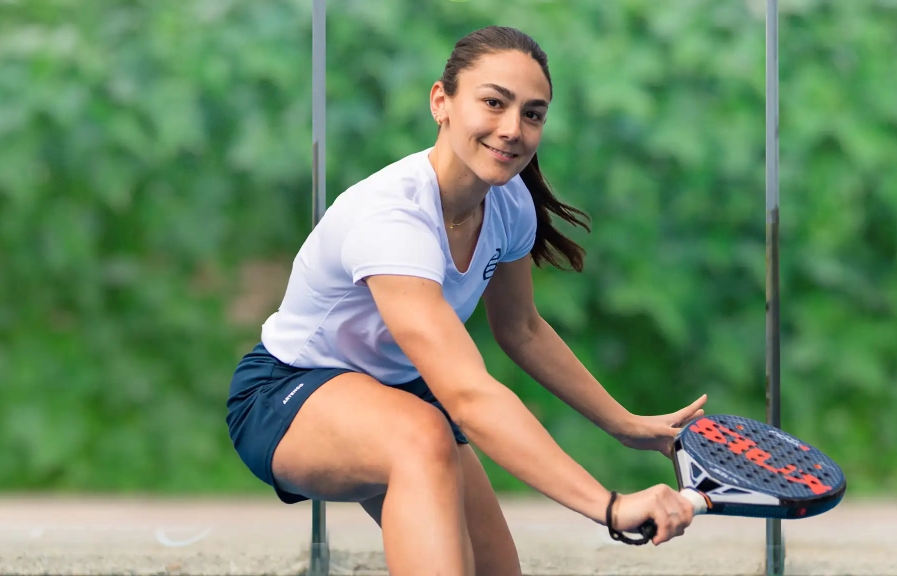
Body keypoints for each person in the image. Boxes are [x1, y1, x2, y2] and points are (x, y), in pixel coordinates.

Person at [226, 25, 708, 576]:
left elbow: (521, 330)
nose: (512, 129)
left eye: (532, 114)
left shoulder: (510, 203)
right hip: (287, 393)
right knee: (424, 433)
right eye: (493, 103)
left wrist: (623, 425)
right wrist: (610, 506)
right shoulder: (392, 218)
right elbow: (467, 395)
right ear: (442, 102)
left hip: (400, 398)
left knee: (495, 569)